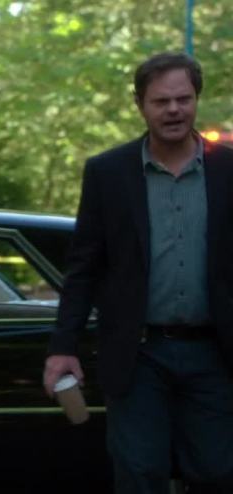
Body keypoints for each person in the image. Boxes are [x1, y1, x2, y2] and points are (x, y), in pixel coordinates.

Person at [43, 52, 233, 493]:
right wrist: (63, 347)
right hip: (138, 354)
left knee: (218, 472)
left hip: (216, 353)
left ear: (196, 99)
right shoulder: (108, 173)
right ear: (140, 104)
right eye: (161, 101)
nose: (174, 110)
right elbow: (83, 267)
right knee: (140, 472)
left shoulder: (228, 170)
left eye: (183, 99)